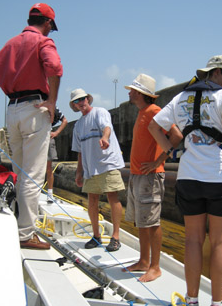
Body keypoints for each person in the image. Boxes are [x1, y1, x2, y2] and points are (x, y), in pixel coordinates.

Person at [148, 55, 222, 306]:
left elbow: (153, 126)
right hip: (220, 176)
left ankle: (191, 300)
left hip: (189, 177)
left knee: (193, 239)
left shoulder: (181, 97)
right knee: (220, 240)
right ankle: (217, 302)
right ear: (218, 73)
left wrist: (170, 151)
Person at [0, 3, 63, 250]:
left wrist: (14, 79)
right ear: (48, 23)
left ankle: (17, 224)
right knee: (33, 175)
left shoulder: (10, 43)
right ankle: (25, 234)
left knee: (20, 173)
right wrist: (51, 101)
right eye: (51, 27)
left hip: (12, 109)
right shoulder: (43, 42)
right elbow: (55, 68)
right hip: (34, 108)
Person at [124, 74, 183, 282]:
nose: (129, 92)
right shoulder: (143, 112)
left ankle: (155, 267)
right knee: (142, 221)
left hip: (150, 177)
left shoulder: (154, 112)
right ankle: (143, 261)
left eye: (132, 90)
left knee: (152, 222)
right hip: (138, 175)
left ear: (140, 93)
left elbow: (176, 136)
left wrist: (158, 162)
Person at [70, 88, 125, 252]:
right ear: (74, 105)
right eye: (77, 101)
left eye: (83, 98)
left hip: (107, 163)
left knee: (112, 197)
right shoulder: (78, 125)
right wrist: (79, 171)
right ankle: (96, 236)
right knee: (92, 201)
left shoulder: (100, 112)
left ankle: (115, 237)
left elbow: (106, 127)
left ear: (88, 99)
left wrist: (105, 137)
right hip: (89, 167)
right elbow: (80, 151)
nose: (81, 102)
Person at [46, 107, 68, 203]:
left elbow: (64, 120)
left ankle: (50, 194)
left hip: (47, 138)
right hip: (34, 138)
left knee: (49, 168)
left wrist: (56, 132)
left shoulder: (53, 107)